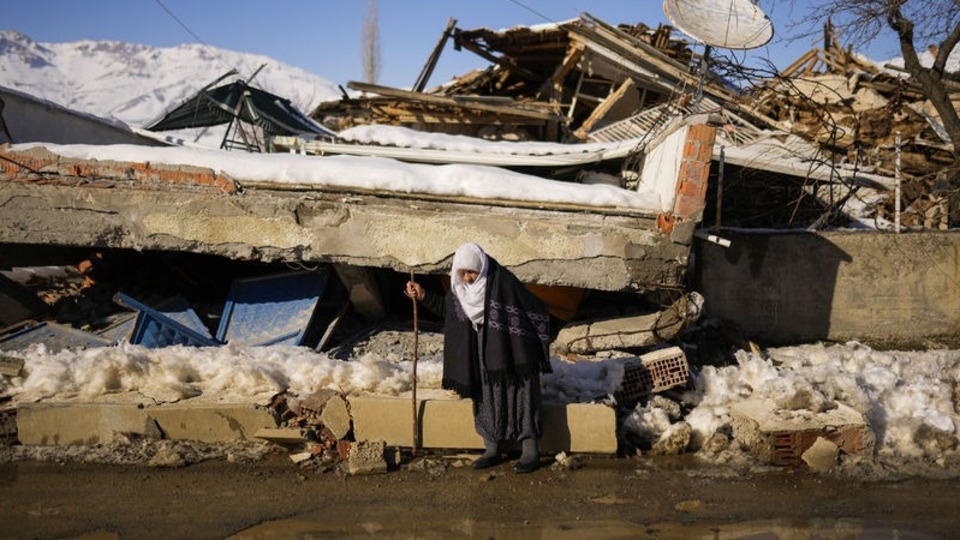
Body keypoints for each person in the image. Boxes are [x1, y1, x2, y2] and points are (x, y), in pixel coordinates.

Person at [405, 243, 552, 473]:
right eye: (462, 273)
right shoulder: (461, 290)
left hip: (511, 349)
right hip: (480, 350)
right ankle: (492, 448)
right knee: (485, 394)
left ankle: (530, 450)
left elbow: (530, 306)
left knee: (520, 392)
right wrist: (422, 295)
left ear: (480, 267)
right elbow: (449, 311)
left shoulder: (501, 281)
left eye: (471, 272)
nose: (468, 277)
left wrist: (526, 341)